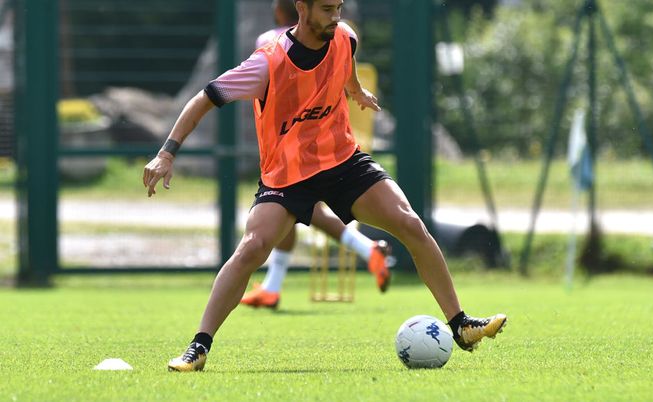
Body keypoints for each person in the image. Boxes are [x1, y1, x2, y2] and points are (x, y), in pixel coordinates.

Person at [142, 0, 507, 372]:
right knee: (252, 249)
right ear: (302, 8)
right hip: (286, 176)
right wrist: (167, 153)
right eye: (327, 10)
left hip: (343, 162)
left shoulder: (345, 37)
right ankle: (198, 347)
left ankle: (460, 325)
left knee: (410, 224)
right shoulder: (267, 63)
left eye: (339, 8)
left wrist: (356, 91)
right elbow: (203, 99)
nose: (336, 17)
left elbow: (345, 66)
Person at [241, 0, 392, 309]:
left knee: (290, 208)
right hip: (325, 141)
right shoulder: (336, 38)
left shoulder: (269, 41)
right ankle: (275, 284)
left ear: (288, 10)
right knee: (301, 212)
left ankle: (274, 285)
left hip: (290, 147)